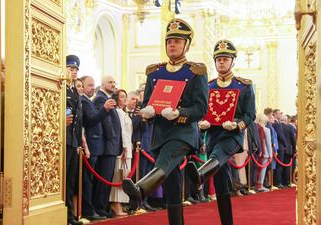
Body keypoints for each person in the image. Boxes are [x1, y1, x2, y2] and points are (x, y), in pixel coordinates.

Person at [122, 18, 208, 225]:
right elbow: (149, 103)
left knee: (165, 161)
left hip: (183, 133)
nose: (172, 45)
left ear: (186, 45)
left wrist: (179, 113)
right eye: (169, 41)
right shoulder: (155, 72)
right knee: (171, 183)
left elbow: (201, 109)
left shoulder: (196, 71)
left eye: (178, 41)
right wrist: (148, 111)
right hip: (160, 133)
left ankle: (141, 189)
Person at [186, 39, 256, 225]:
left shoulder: (244, 86)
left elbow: (250, 115)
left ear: (233, 61)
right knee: (220, 182)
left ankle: (200, 174)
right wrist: (201, 124)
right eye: (218, 59)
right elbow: (202, 111)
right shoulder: (208, 86)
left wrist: (236, 124)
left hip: (232, 136)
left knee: (219, 154)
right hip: (213, 136)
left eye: (225, 59)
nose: (221, 62)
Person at [79, 76, 115, 221]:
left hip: (97, 146)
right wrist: (105, 109)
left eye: (93, 85)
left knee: (93, 180)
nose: (92, 88)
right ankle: (88, 210)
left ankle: (92, 208)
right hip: (91, 146)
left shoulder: (89, 101)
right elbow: (92, 121)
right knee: (88, 181)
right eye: (89, 85)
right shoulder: (84, 101)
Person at [93, 75, 122, 218]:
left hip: (112, 144)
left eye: (114, 82)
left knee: (108, 179)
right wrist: (113, 139)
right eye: (110, 82)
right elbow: (106, 122)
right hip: (107, 145)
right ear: (102, 84)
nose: (113, 84)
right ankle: (100, 208)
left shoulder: (108, 99)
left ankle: (103, 206)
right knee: (103, 179)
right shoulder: (100, 98)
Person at [65, 55, 83, 225]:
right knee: (64, 180)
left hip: (72, 141)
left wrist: (78, 143)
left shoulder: (73, 90)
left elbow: (78, 119)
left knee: (70, 180)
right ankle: (64, 215)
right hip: (62, 140)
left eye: (76, 69)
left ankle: (69, 216)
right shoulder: (61, 87)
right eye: (71, 68)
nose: (74, 71)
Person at [109, 89, 132, 216]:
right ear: (116, 98)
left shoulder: (124, 112)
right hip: (122, 149)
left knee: (125, 177)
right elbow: (122, 131)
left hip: (128, 147)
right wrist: (124, 147)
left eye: (125, 96)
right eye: (121, 97)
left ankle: (121, 203)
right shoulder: (117, 112)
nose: (124, 99)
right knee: (118, 176)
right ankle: (115, 203)